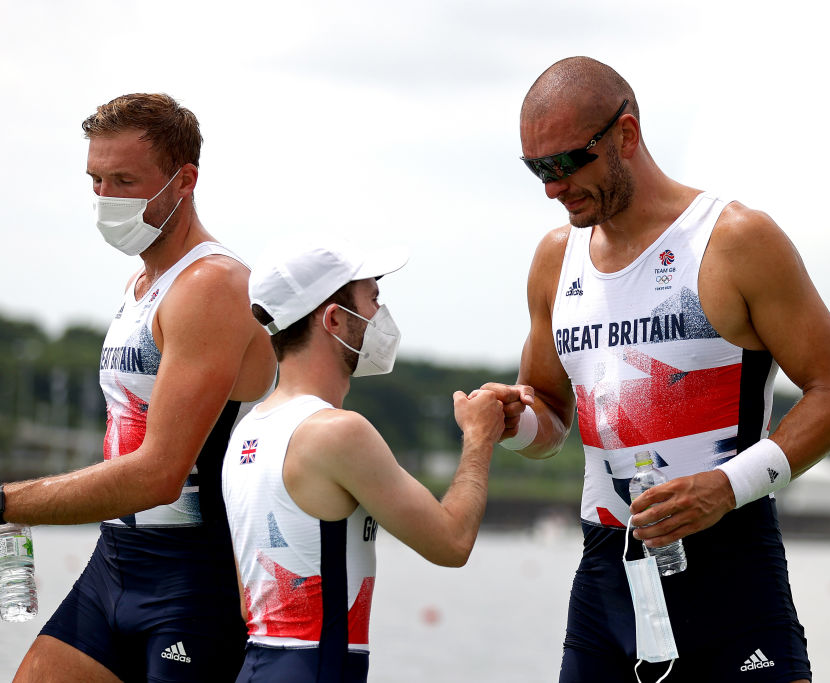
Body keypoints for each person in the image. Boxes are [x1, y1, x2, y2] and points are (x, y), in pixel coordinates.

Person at [478, 57, 830, 682]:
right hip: (607, 573)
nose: (553, 188)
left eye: (566, 163)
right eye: (536, 170)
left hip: (731, 568)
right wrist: (512, 422)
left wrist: (724, 487)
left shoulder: (735, 239)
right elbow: (550, 416)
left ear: (625, 135)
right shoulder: (556, 258)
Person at [2, 93, 277, 682]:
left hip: (194, 579)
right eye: (96, 181)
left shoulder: (212, 285)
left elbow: (159, 474)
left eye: (124, 180)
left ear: (185, 181)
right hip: (115, 562)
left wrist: (7, 501)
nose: (105, 200)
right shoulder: (140, 284)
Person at [221, 240, 506, 682]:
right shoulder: (338, 431)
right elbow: (451, 542)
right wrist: (479, 437)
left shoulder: (249, 429)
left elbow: (248, 601)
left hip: (259, 664)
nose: (381, 315)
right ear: (334, 319)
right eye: (372, 299)